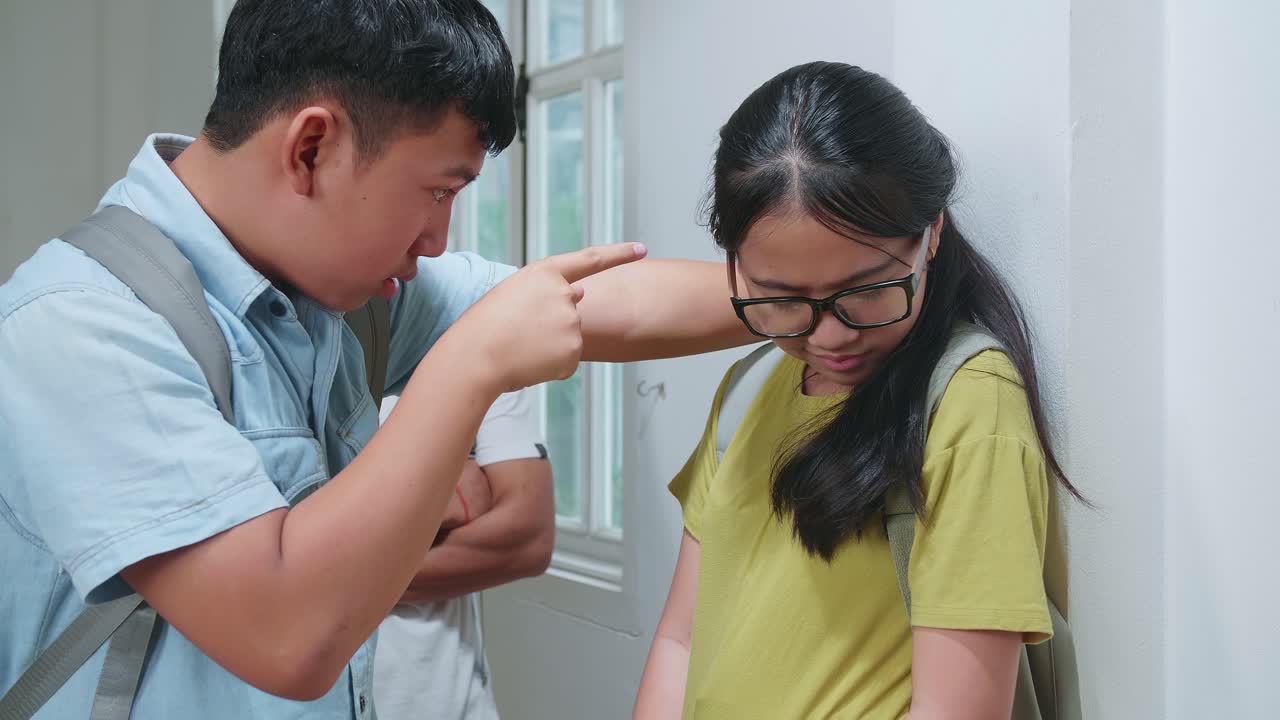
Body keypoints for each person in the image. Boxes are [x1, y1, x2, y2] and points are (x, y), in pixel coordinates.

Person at [0, 1, 750, 718]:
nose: (438, 239)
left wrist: (794, 292)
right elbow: (287, 636)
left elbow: (591, 302)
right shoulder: (82, 325)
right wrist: (469, 366)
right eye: (437, 191)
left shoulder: (327, 287)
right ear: (311, 149)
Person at [633, 61, 1083, 719]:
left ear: (932, 232)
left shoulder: (967, 404)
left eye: (867, 290)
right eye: (783, 298)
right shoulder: (750, 385)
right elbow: (680, 641)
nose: (830, 336)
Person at [373, 388, 552, 720]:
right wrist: (444, 492)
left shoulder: (478, 358)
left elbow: (530, 539)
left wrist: (320, 572)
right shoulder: (274, 374)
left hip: (450, 705)